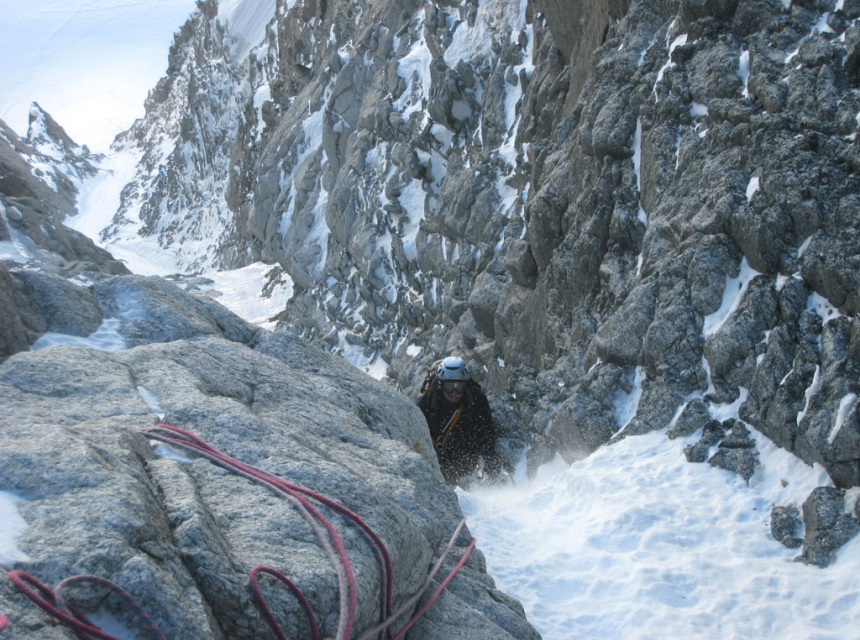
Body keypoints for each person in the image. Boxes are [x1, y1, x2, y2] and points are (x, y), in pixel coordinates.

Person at [417, 356, 502, 485]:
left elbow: (486, 433)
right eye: (449, 386)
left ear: (466, 384)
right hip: (439, 456)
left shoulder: (476, 400)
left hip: (467, 451)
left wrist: (492, 469)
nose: (454, 392)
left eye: (460, 386)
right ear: (440, 385)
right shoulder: (428, 404)